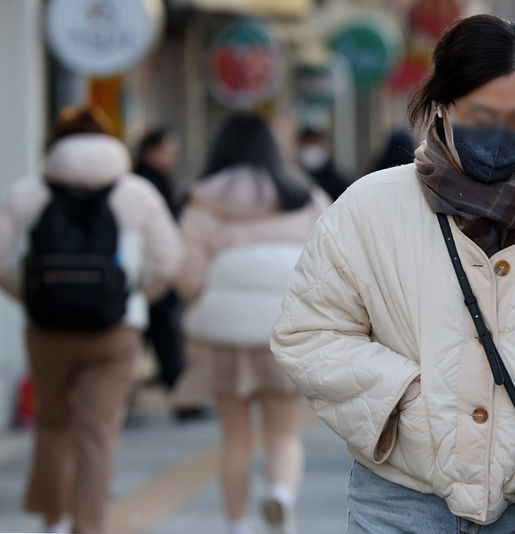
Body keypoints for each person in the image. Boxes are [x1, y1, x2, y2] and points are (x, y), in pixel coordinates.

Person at [271, 14, 515, 533]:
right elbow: (309, 332)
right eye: (481, 115)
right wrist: (408, 399)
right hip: (399, 503)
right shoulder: (368, 208)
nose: (499, 133)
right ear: (444, 104)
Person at [0, 107, 182, 534]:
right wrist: (136, 297)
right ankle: (88, 525)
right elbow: (171, 262)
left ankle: (53, 519)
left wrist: (26, 296)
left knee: (52, 420)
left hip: (46, 328)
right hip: (115, 330)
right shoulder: (137, 193)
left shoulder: (28, 193)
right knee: (98, 433)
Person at [172, 113, 331, 534]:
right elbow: (330, 266)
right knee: (283, 432)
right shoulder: (305, 196)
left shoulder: (203, 202)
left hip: (225, 334)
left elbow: (186, 274)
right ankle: (280, 494)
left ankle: (238, 525)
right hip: (287, 332)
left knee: (236, 436)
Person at [134, 129, 189, 415]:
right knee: (163, 334)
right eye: (168, 151)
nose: (172, 158)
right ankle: (181, 398)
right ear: (150, 151)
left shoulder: (144, 181)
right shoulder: (146, 185)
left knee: (147, 336)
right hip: (151, 274)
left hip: (143, 274)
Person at [296, 128, 348, 200]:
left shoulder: (338, 181)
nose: (311, 148)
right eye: (307, 143)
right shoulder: (294, 180)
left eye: (314, 142)